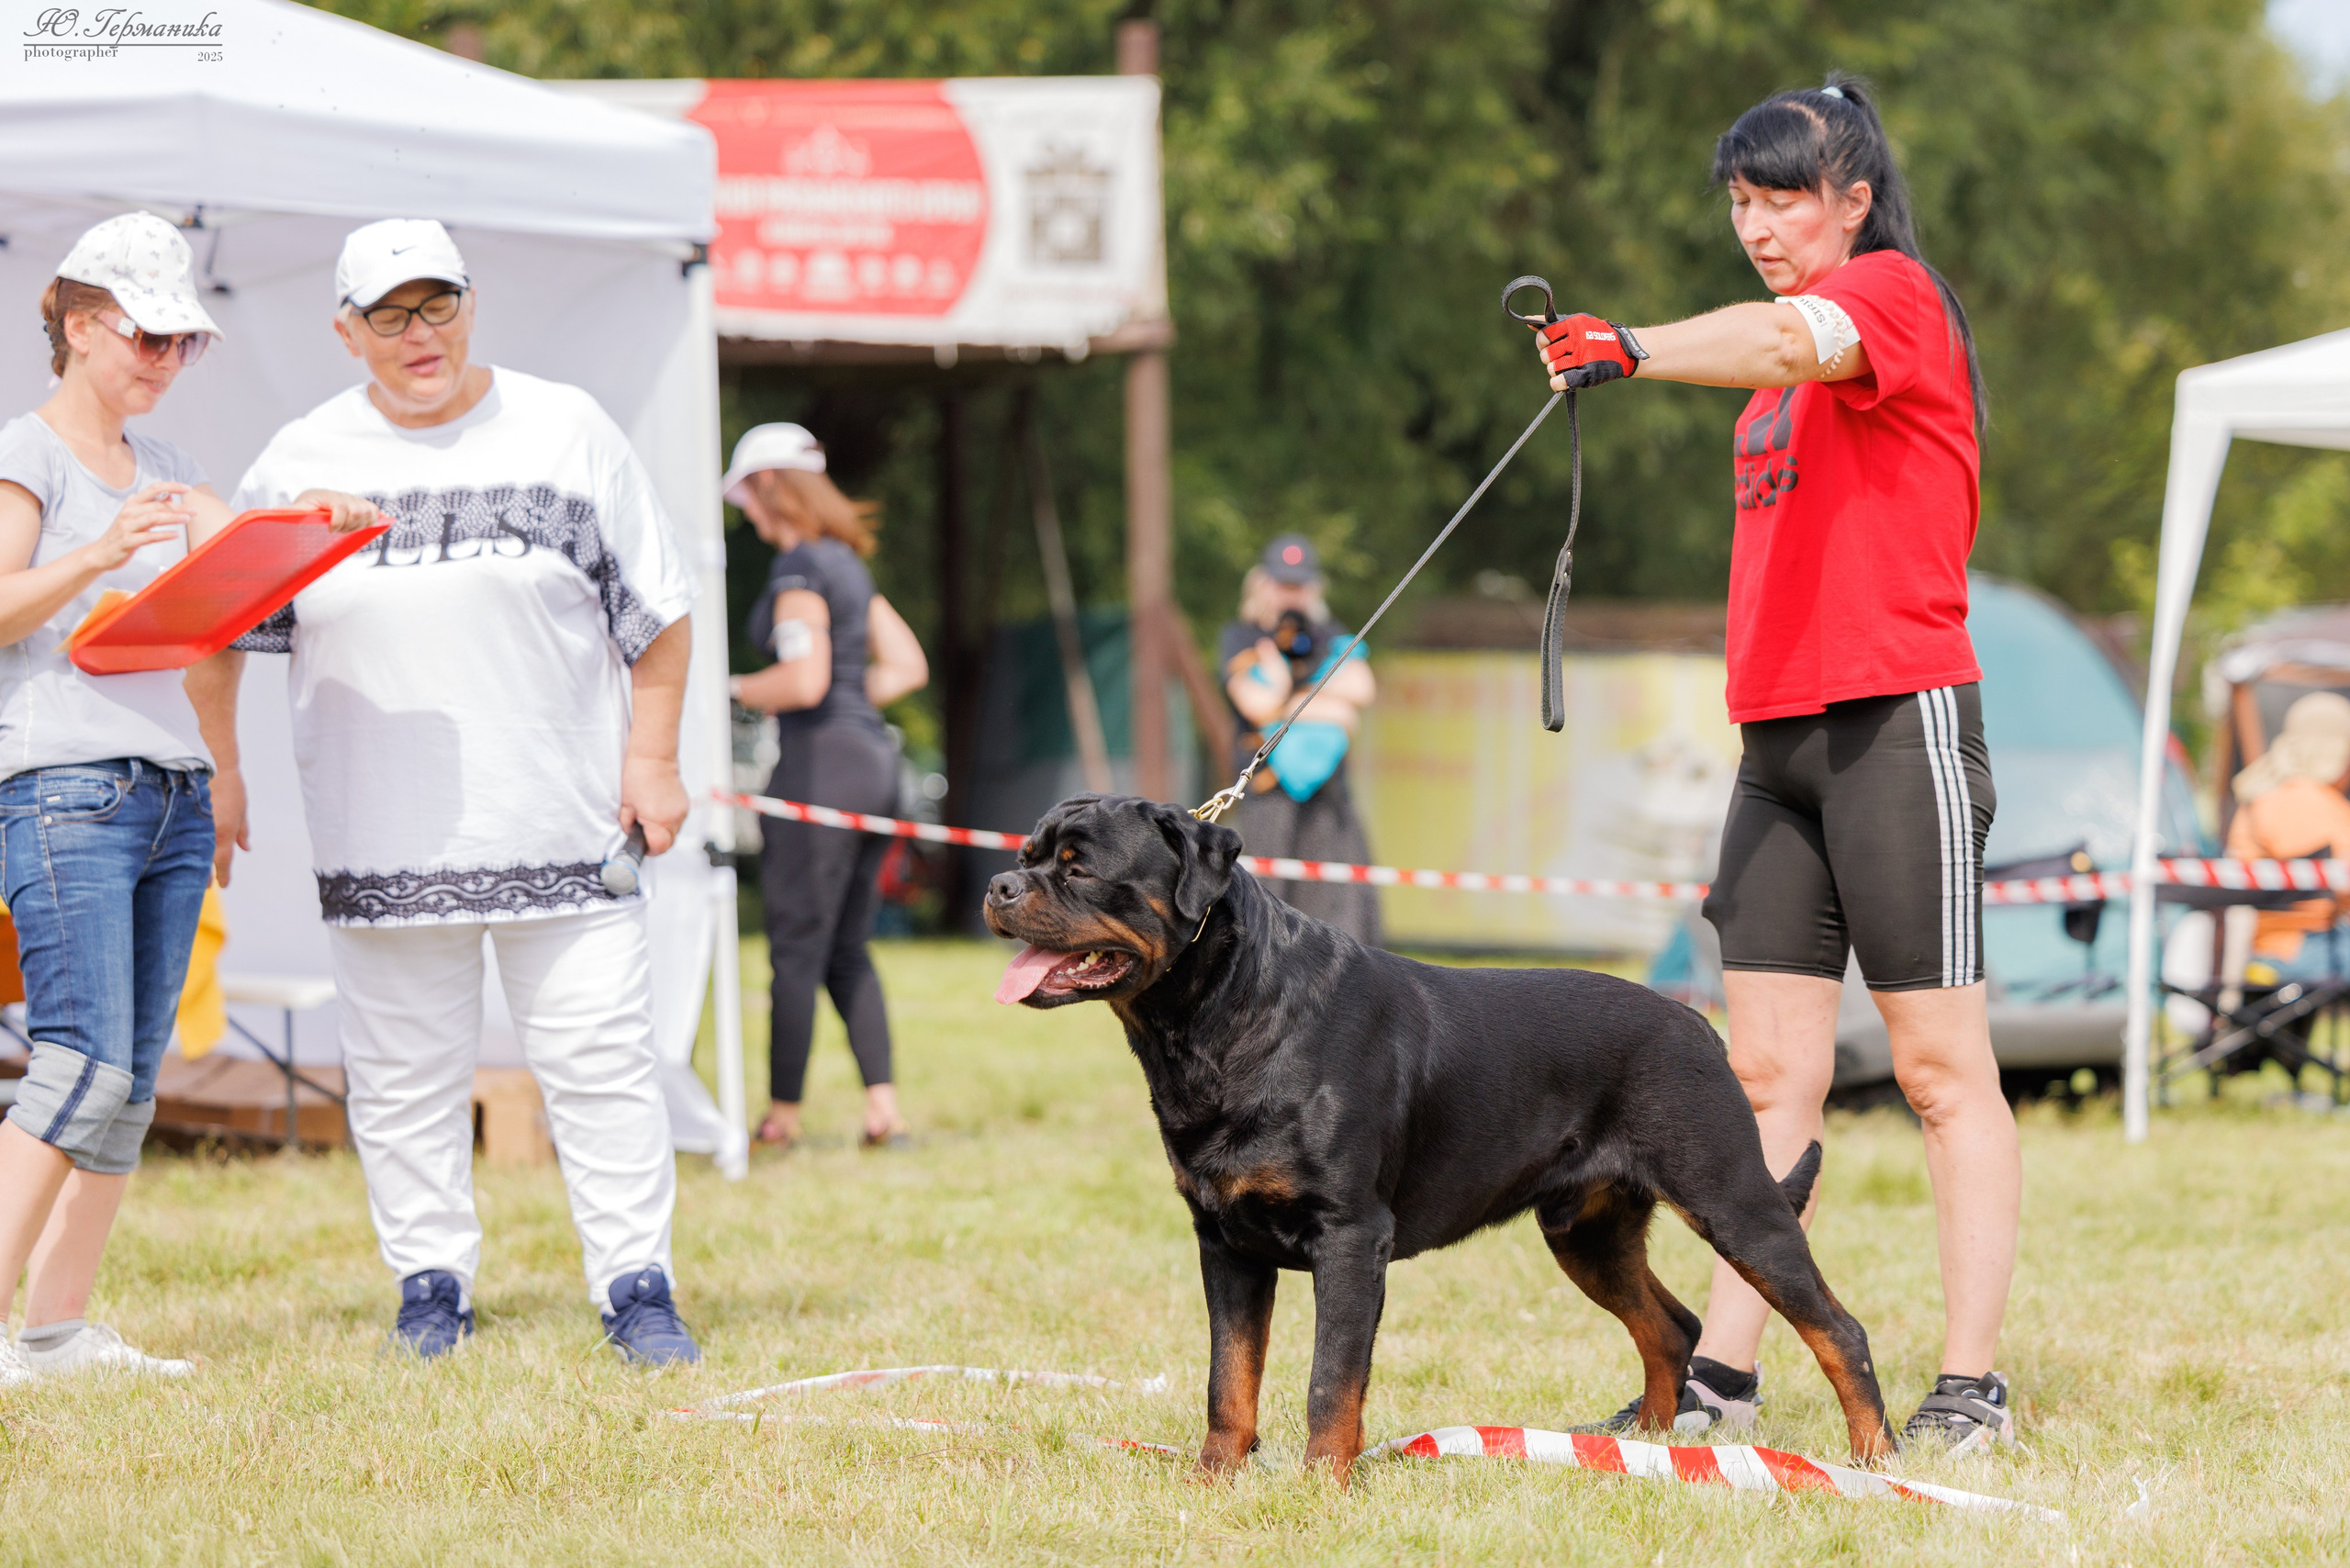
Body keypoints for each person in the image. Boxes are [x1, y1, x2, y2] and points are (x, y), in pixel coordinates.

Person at [1529, 77, 2018, 1453]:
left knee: (1938, 1070)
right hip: (1777, 745)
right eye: (1741, 201)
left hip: (1897, 723)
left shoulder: (1892, 298)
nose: (1757, 225)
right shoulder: (1765, 395)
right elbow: (1770, 356)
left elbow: (1790, 337)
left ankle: (1971, 1387)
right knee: (1758, 1079)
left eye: (1784, 197)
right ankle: (1724, 1379)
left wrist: (1630, 345)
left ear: (1854, 200)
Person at [229, 219, 700, 1364]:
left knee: (603, 1067)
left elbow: (658, 610)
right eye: (389, 314)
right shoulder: (299, 458)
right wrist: (219, 768)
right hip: (381, 837)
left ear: (472, 306)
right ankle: (429, 1287)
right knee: (401, 1080)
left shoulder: (565, 429)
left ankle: (636, 1288)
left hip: (566, 825)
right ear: (346, 331)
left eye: (436, 304)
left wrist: (652, 759)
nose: (419, 334)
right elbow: (218, 616)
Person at [0, 215, 368, 1384]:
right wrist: (98, 553)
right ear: (78, 324)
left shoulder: (165, 467)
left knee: (128, 1081)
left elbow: (245, 558)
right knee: (78, 1063)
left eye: (183, 343)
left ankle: (56, 1333)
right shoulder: (26, 455)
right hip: (63, 785)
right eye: (148, 336)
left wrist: (317, 515)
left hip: (168, 791)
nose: (166, 360)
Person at [722, 423, 927, 1150]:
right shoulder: (847, 565)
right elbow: (907, 666)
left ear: (770, 485)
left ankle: (781, 1118)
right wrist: (850, 704)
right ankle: (883, 1112)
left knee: (795, 951)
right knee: (847, 946)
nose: (745, 510)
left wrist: (731, 689)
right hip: (873, 768)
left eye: (745, 495)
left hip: (820, 775)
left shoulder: (800, 568)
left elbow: (804, 682)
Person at [1218, 534, 1381, 945]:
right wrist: (1324, 701)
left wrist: (1281, 692)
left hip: (1329, 797)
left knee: (1337, 920)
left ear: (1314, 588)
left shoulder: (1331, 634)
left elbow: (1361, 691)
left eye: (1299, 585)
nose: (1291, 594)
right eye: (1282, 584)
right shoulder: (1242, 636)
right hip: (1268, 793)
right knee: (1261, 918)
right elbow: (1255, 704)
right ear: (1263, 584)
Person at [2226, 691, 2350, 984]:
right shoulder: (2301, 798)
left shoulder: (2273, 792)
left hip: (2290, 944)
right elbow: (2339, 879)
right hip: (2300, 946)